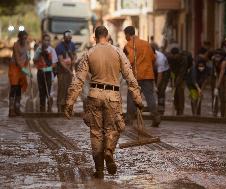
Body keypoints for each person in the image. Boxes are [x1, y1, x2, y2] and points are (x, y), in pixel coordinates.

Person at [64, 26, 143, 179]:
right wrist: (137, 99)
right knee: (113, 128)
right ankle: (109, 151)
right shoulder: (118, 51)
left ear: (95, 37)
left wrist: (69, 102)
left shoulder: (89, 53)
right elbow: (130, 77)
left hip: (94, 95)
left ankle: (99, 170)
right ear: (107, 36)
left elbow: (78, 80)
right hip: (113, 96)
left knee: (95, 132)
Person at [123, 26, 161, 127]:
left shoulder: (128, 45)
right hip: (148, 75)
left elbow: (129, 60)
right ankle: (156, 116)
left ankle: (129, 119)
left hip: (135, 76)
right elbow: (153, 58)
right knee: (150, 97)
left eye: (125, 35)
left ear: (127, 34)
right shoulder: (146, 44)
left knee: (131, 97)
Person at [33, 34, 58, 112]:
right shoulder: (38, 49)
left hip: (48, 73)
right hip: (40, 72)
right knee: (41, 90)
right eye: (45, 40)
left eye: (48, 40)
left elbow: (54, 63)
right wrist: (38, 55)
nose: (46, 42)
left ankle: (49, 107)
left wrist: (47, 68)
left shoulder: (52, 50)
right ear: (42, 40)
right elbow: (34, 60)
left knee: (49, 90)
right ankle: (42, 108)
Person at [8, 30, 31, 117]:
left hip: (23, 67)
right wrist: (26, 72)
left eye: (26, 38)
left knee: (19, 87)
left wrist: (28, 59)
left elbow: (27, 55)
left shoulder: (26, 44)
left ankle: (17, 108)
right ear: (19, 38)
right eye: (23, 38)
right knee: (14, 86)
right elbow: (17, 61)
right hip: (15, 67)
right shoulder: (16, 45)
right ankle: (11, 110)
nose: (24, 40)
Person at [55, 30, 76, 112]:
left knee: (69, 89)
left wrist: (74, 60)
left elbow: (74, 54)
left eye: (69, 36)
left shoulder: (72, 45)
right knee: (61, 88)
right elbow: (60, 61)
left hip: (69, 71)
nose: (68, 38)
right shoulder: (59, 47)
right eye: (67, 36)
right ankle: (60, 107)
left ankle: (67, 107)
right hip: (61, 71)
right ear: (64, 37)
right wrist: (69, 70)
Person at [167, 47, 190, 115]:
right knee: (175, 93)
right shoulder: (170, 58)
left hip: (183, 75)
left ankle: (181, 110)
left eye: (175, 55)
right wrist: (172, 81)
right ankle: (177, 108)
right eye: (172, 55)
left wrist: (177, 82)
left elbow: (182, 73)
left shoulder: (184, 59)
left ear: (178, 54)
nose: (173, 57)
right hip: (175, 74)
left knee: (180, 92)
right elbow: (170, 69)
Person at [212, 49, 226, 118]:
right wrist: (217, 86)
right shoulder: (214, 60)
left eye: (219, 56)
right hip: (219, 75)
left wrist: (217, 87)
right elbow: (217, 73)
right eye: (216, 56)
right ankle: (222, 113)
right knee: (221, 95)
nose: (217, 58)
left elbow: (222, 73)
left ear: (222, 56)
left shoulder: (224, 62)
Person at [152, 47, 170, 115]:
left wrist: (156, 86)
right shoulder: (148, 55)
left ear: (155, 54)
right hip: (155, 70)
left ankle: (161, 109)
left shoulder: (161, 59)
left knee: (161, 90)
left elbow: (160, 75)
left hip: (165, 72)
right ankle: (154, 107)